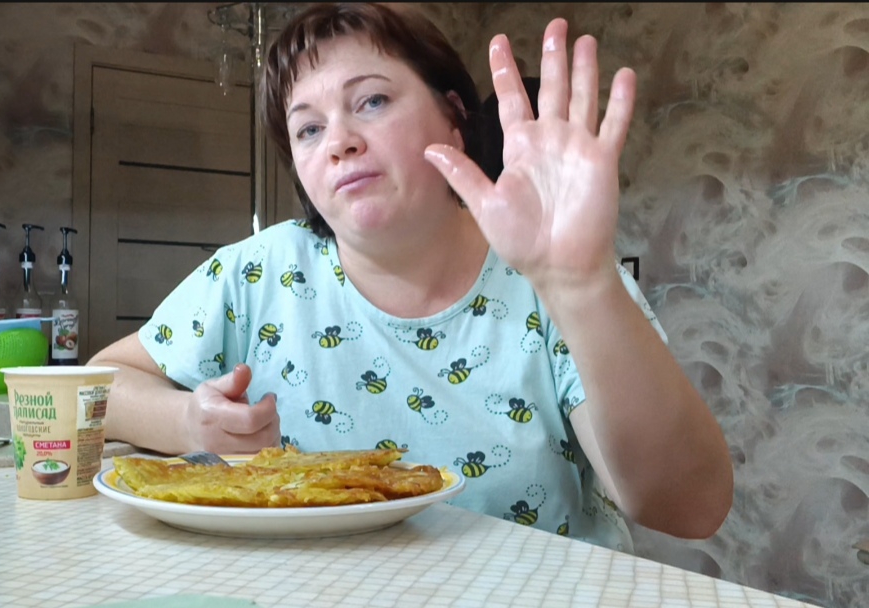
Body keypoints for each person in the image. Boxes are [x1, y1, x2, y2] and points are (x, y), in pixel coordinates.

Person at [89, 2, 733, 552]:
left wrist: (583, 284)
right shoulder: (259, 273)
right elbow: (98, 386)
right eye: (308, 128)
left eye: (371, 101)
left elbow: (690, 507)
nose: (339, 141)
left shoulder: (553, 276)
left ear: (453, 116)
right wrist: (189, 423)